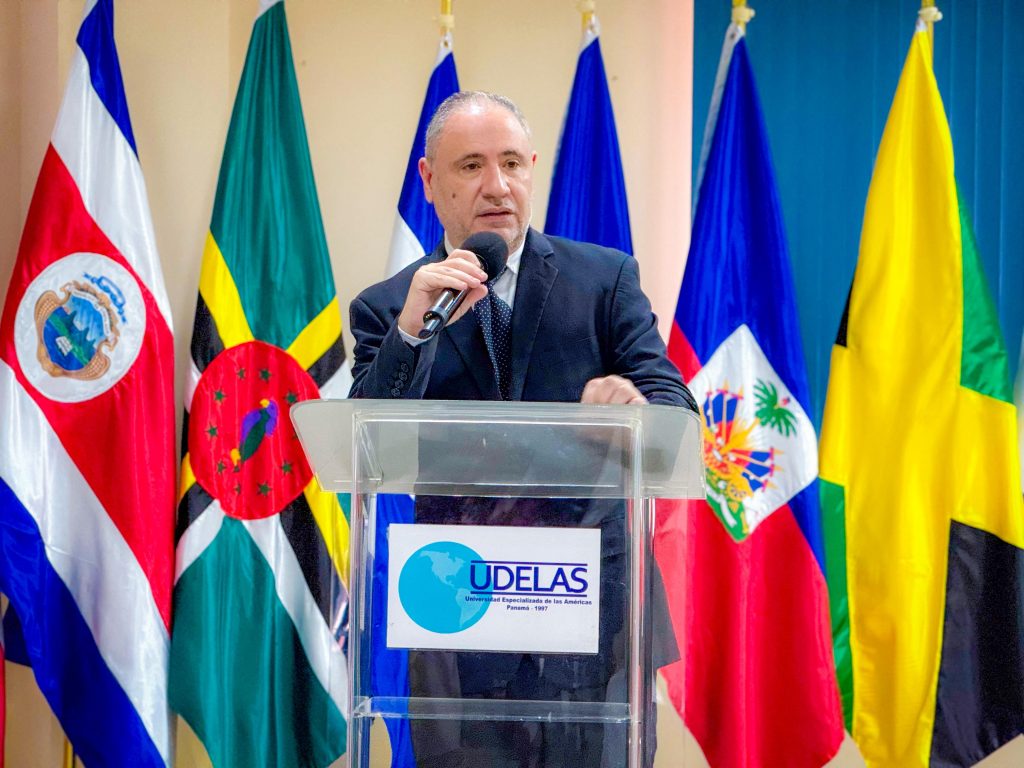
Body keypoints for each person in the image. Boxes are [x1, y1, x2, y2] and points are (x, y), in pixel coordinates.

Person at [349, 91, 696, 767]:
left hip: (595, 616)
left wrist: (633, 404)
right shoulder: (391, 307)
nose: (497, 185)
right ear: (429, 180)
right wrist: (413, 332)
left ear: (532, 168)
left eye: (511, 163)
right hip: (458, 619)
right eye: (471, 166)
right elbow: (369, 441)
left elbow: (672, 404)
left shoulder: (603, 280)